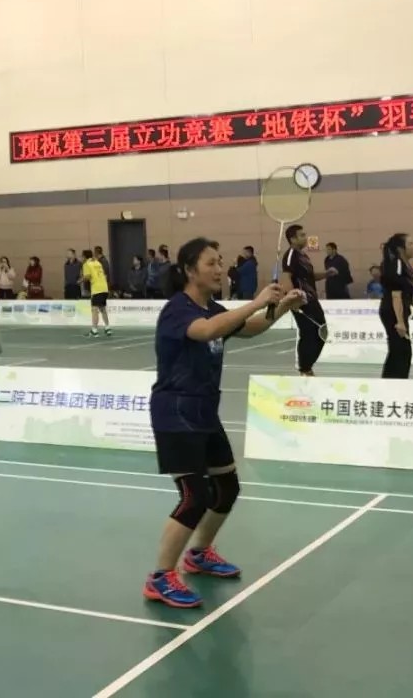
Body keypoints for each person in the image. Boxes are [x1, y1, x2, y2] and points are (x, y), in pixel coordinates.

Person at [144, 238, 302, 609]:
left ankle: (198, 554)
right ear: (189, 270)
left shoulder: (213, 308)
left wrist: (282, 307)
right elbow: (206, 331)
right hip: (176, 412)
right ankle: (160, 577)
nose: (220, 270)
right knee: (195, 496)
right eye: (211, 263)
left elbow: (249, 328)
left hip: (204, 412)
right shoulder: (178, 310)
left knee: (227, 487)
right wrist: (256, 301)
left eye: (221, 262)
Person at [281, 225, 334, 377]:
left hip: (312, 300)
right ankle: (305, 369)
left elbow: (310, 277)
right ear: (293, 239)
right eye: (302, 235)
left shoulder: (303, 256)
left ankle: (307, 367)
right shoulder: (291, 255)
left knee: (322, 332)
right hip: (301, 301)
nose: (305, 238)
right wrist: (293, 299)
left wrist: (326, 274)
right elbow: (286, 277)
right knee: (308, 334)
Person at [380, 233, 413, 379]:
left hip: (399, 310)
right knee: (401, 350)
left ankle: (391, 380)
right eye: (410, 244)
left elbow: (408, 291)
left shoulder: (405, 265)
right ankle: (395, 381)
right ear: (401, 248)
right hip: (393, 311)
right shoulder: (397, 264)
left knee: (400, 349)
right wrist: (400, 321)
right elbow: (396, 293)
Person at [80, 249, 111, 337]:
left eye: (82, 256)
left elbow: (87, 276)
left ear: (85, 257)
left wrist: (80, 280)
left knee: (94, 309)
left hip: (97, 289)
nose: (81, 258)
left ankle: (94, 330)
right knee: (102, 309)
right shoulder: (97, 262)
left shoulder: (86, 264)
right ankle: (107, 328)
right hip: (104, 287)